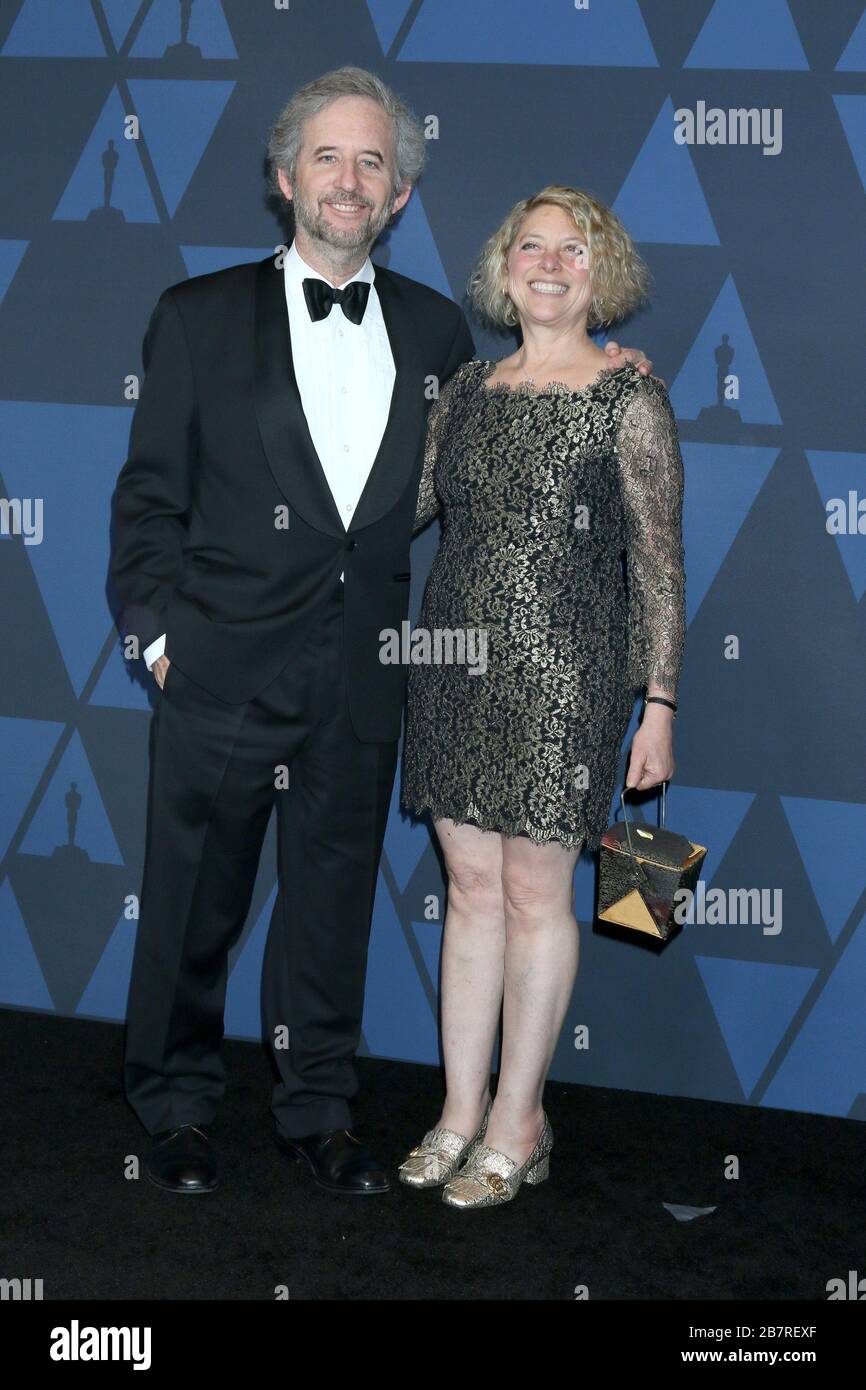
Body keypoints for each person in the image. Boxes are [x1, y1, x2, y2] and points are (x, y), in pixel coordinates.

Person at [111, 66, 652, 1197]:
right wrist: (157, 641)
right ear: (283, 178)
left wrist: (611, 368)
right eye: (328, 158)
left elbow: (513, 434)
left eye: (372, 162)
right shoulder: (195, 315)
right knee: (190, 903)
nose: (349, 180)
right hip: (219, 665)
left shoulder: (432, 328)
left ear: (399, 192)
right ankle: (173, 1108)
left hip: (370, 673)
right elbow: (147, 500)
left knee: (330, 908)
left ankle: (318, 1111)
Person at [399, 186, 686, 1209]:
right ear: (502, 266)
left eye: (574, 249)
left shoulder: (628, 398)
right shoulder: (468, 389)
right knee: (469, 891)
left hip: (568, 675)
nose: (550, 263)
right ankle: (456, 1110)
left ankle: (520, 1119)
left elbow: (657, 562)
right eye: (533, 245)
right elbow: (408, 503)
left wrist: (658, 703)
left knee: (533, 892)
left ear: (600, 275)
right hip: (453, 666)